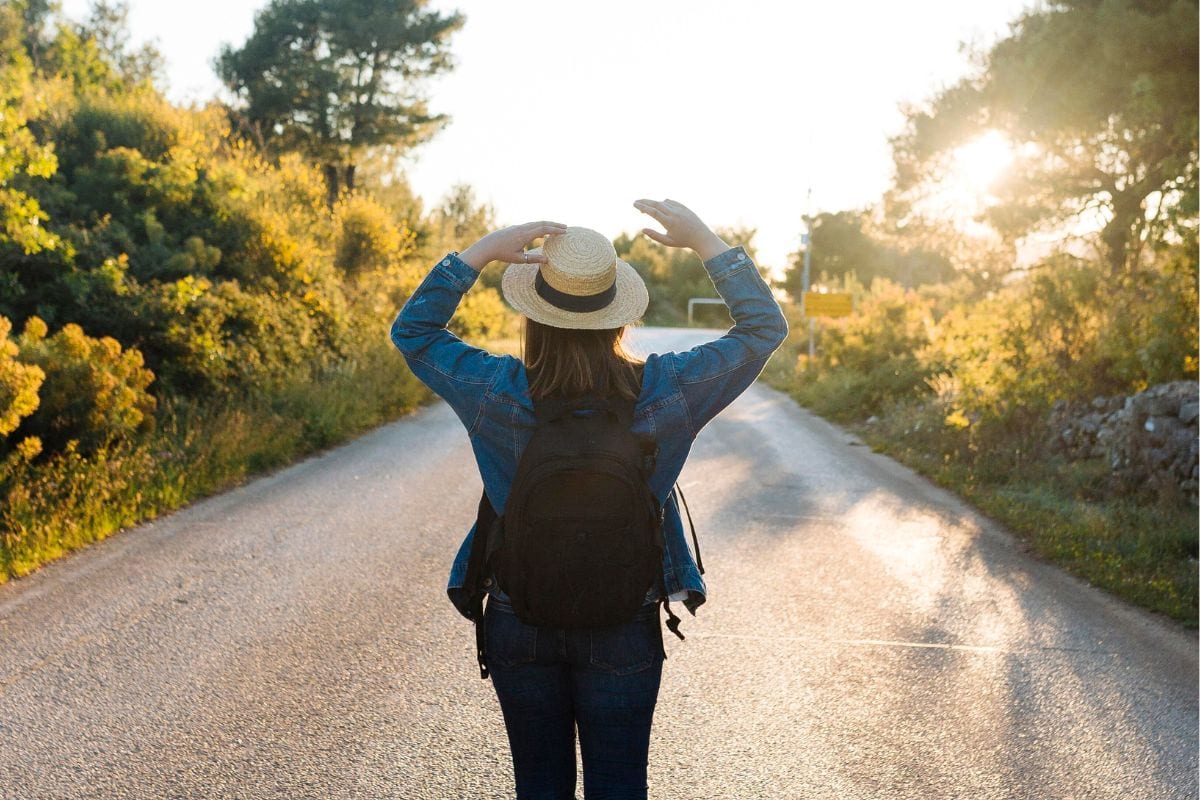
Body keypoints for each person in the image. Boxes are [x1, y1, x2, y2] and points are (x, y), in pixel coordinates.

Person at [389, 198, 788, 799]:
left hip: (519, 612)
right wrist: (704, 238)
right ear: (618, 315)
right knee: (619, 784)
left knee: (540, 788)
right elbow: (763, 330)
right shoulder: (667, 389)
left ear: (533, 315)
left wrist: (479, 252)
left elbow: (414, 331)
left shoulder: (497, 390)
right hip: (622, 614)